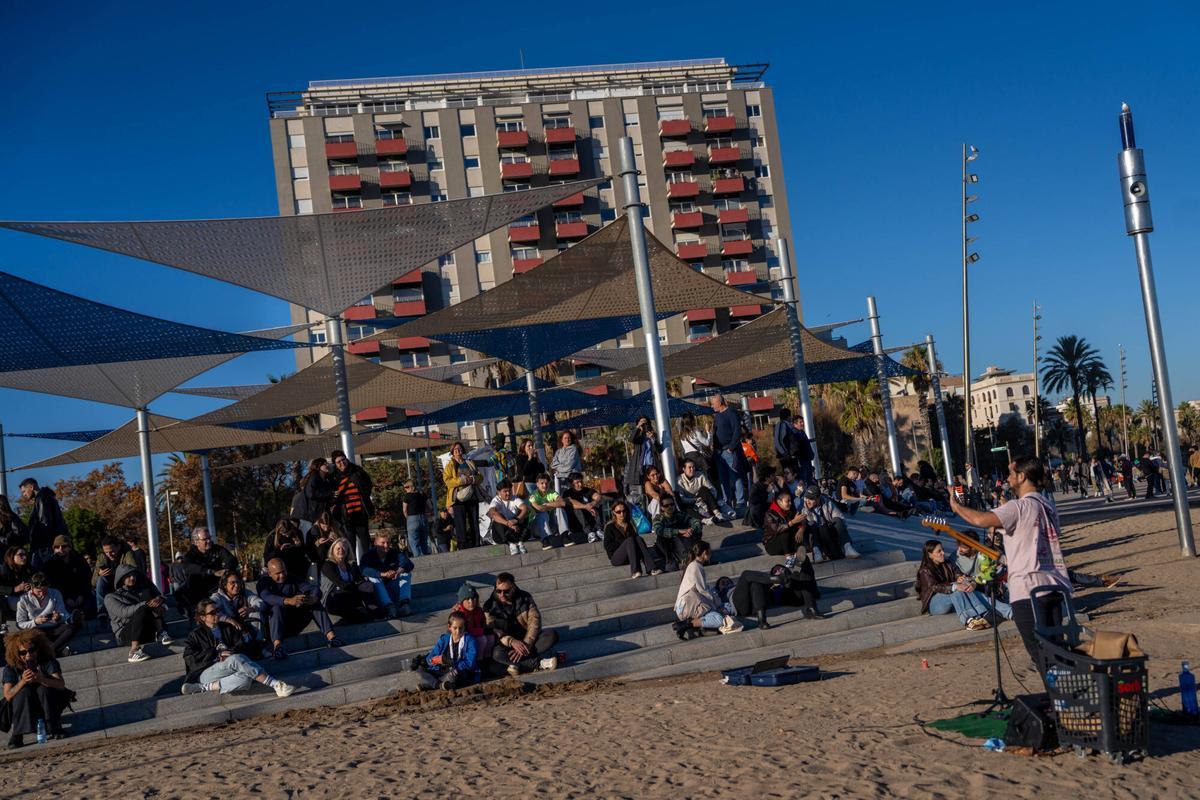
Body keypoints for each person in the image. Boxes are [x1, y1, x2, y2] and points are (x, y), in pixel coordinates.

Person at [951, 456, 1072, 666]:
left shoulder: (1019, 507)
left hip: (1028, 591)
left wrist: (956, 507)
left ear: (1022, 476)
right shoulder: (1047, 505)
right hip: (1052, 587)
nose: (1007, 478)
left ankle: (1061, 697)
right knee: (1054, 650)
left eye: (1010, 473)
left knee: (1042, 655)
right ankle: (1064, 695)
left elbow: (980, 520)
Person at [180, 599, 294, 698]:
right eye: (212, 612)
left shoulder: (227, 628)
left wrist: (229, 653)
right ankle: (276, 685)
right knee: (236, 659)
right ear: (203, 617)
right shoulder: (195, 635)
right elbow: (189, 658)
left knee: (245, 679)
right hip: (205, 672)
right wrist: (216, 655)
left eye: (218, 610)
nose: (217, 614)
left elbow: (242, 645)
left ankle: (205, 687)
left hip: (230, 667)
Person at [257, 558, 342, 660]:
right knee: (275, 608)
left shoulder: (292, 578)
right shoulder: (263, 583)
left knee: (314, 602)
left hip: (294, 621)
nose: (282, 575)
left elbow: (313, 588)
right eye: (278, 573)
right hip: (275, 626)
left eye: (283, 571)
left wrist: (313, 598)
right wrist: (288, 600)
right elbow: (268, 597)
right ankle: (278, 647)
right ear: (269, 573)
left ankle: (332, 637)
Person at [2, 630, 70, 747]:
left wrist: (41, 679)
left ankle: (54, 727)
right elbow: (8, 695)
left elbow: (60, 684)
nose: (28, 655)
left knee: (43, 689)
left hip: (47, 701)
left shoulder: (47, 662)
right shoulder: (11, 668)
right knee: (23, 691)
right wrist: (23, 681)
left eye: (32, 650)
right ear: (16, 654)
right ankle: (17, 733)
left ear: (38, 649)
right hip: (24, 705)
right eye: (23, 652)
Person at [483, 572, 559, 676]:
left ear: (513, 588)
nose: (502, 595)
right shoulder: (489, 606)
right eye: (498, 591)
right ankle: (539, 663)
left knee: (551, 635)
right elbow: (494, 632)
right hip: (507, 645)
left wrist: (526, 644)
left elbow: (535, 622)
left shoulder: (525, 598)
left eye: (506, 591)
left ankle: (515, 665)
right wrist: (512, 642)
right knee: (497, 654)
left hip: (527, 642)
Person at [915, 540, 997, 631]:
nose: (943, 553)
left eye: (942, 550)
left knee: (962, 587)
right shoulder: (925, 570)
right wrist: (954, 585)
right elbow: (934, 587)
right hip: (935, 604)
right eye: (939, 551)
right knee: (956, 588)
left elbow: (957, 573)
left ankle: (980, 616)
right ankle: (968, 620)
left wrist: (961, 578)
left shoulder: (948, 563)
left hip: (952, 599)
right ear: (930, 555)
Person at [715, 561, 821, 629]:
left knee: (756, 583)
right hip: (740, 605)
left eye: (727, 580)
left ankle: (762, 619)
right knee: (746, 574)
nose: (726, 582)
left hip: (756, 604)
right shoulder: (724, 595)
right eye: (722, 583)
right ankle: (775, 579)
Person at [673, 541, 741, 639]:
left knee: (717, 616)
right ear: (705, 553)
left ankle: (687, 626)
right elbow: (703, 591)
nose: (711, 554)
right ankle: (687, 625)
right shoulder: (696, 566)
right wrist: (717, 605)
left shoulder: (693, 565)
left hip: (688, 606)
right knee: (718, 619)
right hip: (688, 607)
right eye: (710, 552)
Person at [104, 563, 171, 663]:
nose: (132, 578)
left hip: (145, 630)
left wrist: (159, 600)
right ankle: (134, 651)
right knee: (142, 608)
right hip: (125, 634)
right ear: (120, 578)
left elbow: (152, 600)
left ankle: (160, 632)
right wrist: (147, 605)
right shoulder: (110, 597)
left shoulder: (140, 591)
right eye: (128, 576)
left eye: (134, 575)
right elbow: (124, 612)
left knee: (147, 594)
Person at [178, 528, 239, 621]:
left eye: (209, 538)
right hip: (197, 589)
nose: (209, 541)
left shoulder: (217, 549)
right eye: (205, 539)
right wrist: (210, 572)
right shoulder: (190, 554)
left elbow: (232, 560)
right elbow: (188, 567)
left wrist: (226, 570)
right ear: (196, 542)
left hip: (216, 587)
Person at [409, 610, 480, 690]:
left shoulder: (470, 640)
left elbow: (470, 663)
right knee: (419, 671)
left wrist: (452, 663)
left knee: (454, 675)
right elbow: (430, 657)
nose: (458, 631)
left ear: (464, 627)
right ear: (449, 627)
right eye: (455, 628)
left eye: (461, 628)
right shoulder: (444, 639)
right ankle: (440, 685)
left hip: (458, 671)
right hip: (442, 671)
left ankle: (432, 684)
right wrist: (435, 660)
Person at [15, 573, 79, 656]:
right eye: (39, 591)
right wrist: (35, 622)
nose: (42, 594)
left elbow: (64, 614)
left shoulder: (55, 593)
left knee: (72, 627)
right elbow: (20, 624)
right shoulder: (23, 599)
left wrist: (59, 617)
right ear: (32, 587)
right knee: (30, 636)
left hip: (54, 627)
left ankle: (51, 649)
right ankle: (59, 649)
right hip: (36, 630)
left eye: (45, 591)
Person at [762, 491, 827, 571]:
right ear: (779, 502)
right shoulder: (770, 513)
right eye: (787, 501)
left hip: (787, 543)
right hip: (772, 544)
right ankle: (790, 560)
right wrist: (792, 522)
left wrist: (801, 528)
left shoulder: (789, 511)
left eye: (790, 501)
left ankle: (815, 550)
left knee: (809, 526)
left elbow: (801, 521)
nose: (790, 503)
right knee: (785, 533)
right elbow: (777, 529)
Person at [319, 538, 380, 623]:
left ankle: (374, 610)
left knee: (368, 586)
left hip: (349, 595)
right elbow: (341, 584)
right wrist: (359, 587)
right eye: (338, 548)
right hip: (332, 599)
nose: (341, 550)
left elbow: (359, 579)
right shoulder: (328, 565)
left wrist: (366, 584)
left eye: (344, 548)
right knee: (349, 597)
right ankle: (366, 613)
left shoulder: (350, 565)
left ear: (348, 550)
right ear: (332, 550)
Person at [331, 450, 375, 559]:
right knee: (349, 545)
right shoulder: (334, 477)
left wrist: (363, 494)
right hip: (346, 516)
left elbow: (369, 484)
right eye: (338, 462)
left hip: (360, 512)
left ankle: (369, 567)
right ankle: (353, 570)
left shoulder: (357, 471)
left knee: (366, 542)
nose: (342, 463)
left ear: (346, 459)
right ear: (335, 464)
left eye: (343, 460)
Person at [798, 485, 861, 561]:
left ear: (818, 498)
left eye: (811, 499)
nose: (808, 501)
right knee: (812, 524)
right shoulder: (802, 506)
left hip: (827, 532)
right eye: (807, 497)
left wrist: (834, 527)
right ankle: (816, 551)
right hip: (814, 537)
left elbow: (840, 518)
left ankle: (847, 547)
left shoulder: (827, 502)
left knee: (837, 519)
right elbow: (801, 524)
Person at [360, 531, 414, 619]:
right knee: (373, 578)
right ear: (375, 543)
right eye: (382, 543)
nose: (386, 545)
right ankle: (388, 607)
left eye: (388, 542)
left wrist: (398, 572)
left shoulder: (394, 552)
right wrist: (382, 574)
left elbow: (409, 564)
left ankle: (404, 604)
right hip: (378, 592)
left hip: (392, 587)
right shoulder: (368, 556)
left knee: (406, 573)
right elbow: (364, 570)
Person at [603, 499, 661, 579]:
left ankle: (651, 568)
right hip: (617, 557)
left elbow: (636, 542)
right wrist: (624, 544)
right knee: (630, 540)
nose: (622, 514)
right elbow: (607, 546)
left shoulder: (630, 525)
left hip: (632, 555)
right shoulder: (610, 527)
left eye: (624, 511)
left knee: (638, 539)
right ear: (614, 512)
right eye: (618, 512)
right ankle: (635, 571)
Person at [18, 479, 67, 567]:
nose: (24, 495)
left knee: (41, 571)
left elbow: (45, 523)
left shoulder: (42, 499)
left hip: (44, 546)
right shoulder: (47, 497)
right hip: (48, 544)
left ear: (31, 487)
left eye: (24, 491)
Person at [709, 394, 747, 510]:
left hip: (729, 450)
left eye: (713, 403)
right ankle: (727, 503)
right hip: (719, 453)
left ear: (719, 402)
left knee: (735, 476)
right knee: (723, 478)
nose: (712, 406)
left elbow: (737, 431)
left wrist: (731, 448)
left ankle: (740, 503)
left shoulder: (731, 413)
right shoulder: (717, 416)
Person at [443, 441, 481, 551]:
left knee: (474, 520)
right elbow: (447, 481)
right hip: (458, 497)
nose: (458, 451)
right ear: (452, 452)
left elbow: (480, 477)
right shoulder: (450, 465)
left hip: (472, 495)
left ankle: (476, 542)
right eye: (455, 450)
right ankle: (462, 544)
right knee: (460, 522)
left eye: (459, 449)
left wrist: (473, 479)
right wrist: (461, 480)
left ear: (462, 450)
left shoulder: (469, 462)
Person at [651, 495, 704, 572]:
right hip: (668, 547)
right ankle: (670, 561)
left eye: (672, 504)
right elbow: (658, 530)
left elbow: (696, 522)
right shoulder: (658, 518)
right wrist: (679, 531)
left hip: (683, 542)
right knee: (661, 537)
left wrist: (691, 530)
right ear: (662, 508)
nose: (670, 507)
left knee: (697, 532)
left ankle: (694, 556)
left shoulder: (680, 515)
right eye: (666, 505)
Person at [211, 572, 265, 646]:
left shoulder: (244, 592)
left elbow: (260, 602)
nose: (236, 585)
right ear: (225, 585)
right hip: (227, 628)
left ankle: (259, 643)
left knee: (256, 613)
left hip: (244, 625)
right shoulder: (218, 596)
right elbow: (209, 610)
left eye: (238, 582)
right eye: (232, 582)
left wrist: (251, 609)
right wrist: (228, 619)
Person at [42, 536, 90, 617]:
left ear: (70, 547)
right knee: (65, 614)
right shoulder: (50, 564)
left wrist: (82, 594)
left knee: (90, 610)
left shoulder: (79, 560)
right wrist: (65, 598)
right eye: (57, 547)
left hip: (80, 594)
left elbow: (86, 578)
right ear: (54, 549)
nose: (60, 549)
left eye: (64, 546)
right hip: (62, 596)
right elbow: (53, 584)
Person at [92, 535, 137, 620]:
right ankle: (102, 611)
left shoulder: (127, 554)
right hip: (108, 587)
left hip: (123, 585)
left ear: (118, 546)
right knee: (101, 580)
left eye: (112, 551)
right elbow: (93, 582)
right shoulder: (101, 557)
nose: (109, 554)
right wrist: (99, 573)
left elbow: (133, 570)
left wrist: (118, 573)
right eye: (106, 552)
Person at [676, 458, 732, 523]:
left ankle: (718, 514)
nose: (692, 469)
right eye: (689, 467)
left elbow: (712, 489)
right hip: (691, 504)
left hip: (704, 503)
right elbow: (682, 498)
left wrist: (707, 498)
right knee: (683, 506)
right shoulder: (679, 480)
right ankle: (705, 520)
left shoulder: (700, 475)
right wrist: (694, 500)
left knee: (704, 489)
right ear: (684, 469)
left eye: (693, 467)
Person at [486, 480, 532, 556]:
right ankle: (511, 543)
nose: (508, 493)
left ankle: (519, 543)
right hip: (501, 534)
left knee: (523, 515)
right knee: (497, 518)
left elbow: (525, 508)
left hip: (514, 529)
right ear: (498, 492)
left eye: (510, 491)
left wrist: (516, 520)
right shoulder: (496, 500)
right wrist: (508, 523)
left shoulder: (514, 498)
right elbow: (492, 513)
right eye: (505, 491)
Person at [290, 457, 334, 535]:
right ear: (318, 466)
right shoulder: (315, 476)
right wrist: (329, 495)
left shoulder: (325, 481)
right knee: (306, 538)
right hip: (305, 516)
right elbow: (310, 493)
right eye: (324, 464)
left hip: (311, 517)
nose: (327, 465)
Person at [262, 518, 312, 583]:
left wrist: (296, 546)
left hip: (296, 561)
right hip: (280, 562)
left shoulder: (297, 533)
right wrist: (279, 550)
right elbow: (266, 556)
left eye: (288, 533)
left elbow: (303, 551)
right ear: (279, 531)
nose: (287, 536)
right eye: (284, 534)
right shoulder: (272, 537)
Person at [451, 583, 493, 658]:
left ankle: (487, 658)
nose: (471, 602)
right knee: (482, 640)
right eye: (467, 599)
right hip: (463, 640)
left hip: (477, 634)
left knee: (490, 637)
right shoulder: (459, 614)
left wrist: (488, 630)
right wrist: (484, 631)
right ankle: (479, 661)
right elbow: (466, 631)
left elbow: (483, 624)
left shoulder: (479, 611)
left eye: (473, 598)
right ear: (462, 601)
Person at [624, 416, 663, 495]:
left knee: (653, 487)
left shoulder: (653, 435)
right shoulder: (638, 436)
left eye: (645, 423)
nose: (644, 425)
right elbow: (632, 439)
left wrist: (652, 439)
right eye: (642, 423)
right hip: (640, 467)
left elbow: (660, 450)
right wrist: (638, 427)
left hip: (651, 466)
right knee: (641, 488)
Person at [528, 473, 569, 544]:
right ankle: (545, 540)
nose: (544, 485)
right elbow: (539, 508)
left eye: (546, 483)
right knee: (542, 514)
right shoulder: (533, 495)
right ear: (537, 484)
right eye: (542, 483)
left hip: (551, 524)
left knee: (559, 509)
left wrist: (547, 504)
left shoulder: (552, 493)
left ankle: (564, 535)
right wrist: (554, 504)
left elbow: (562, 503)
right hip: (537, 527)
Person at [561, 472, 602, 543]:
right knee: (576, 508)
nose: (580, 484)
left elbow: (598, 496)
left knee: (597, 503)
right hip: (576, 523)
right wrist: (586, 506)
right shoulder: (567, 493)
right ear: (571, 484)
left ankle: (599, 530)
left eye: (581, 481)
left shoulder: (587, 490)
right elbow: (570, 502)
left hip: (591, 518)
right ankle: (589, 533)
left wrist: (592, 504)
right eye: (577, 482)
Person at [1, 547, 34, 632]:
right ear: (12, 557)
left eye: (25, 555)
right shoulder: (3, 570)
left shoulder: (27, 568)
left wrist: (30, 586)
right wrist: (14, 589)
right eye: (21, 555)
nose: (24, 557)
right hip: (7, 601)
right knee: (12, 631)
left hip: (24, 599)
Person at [401, 479, 431, 557]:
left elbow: (404, 510)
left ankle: (418, 559)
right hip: (423, 517)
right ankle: (427, 557)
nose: (405, 489)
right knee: (424, 540)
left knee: (414, 542)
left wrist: (408, 518)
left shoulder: (407, 496)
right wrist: (427, 514)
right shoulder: (422, 494)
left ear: (411, 487)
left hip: (412, 518)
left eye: (406, 487)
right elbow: (430, 506)